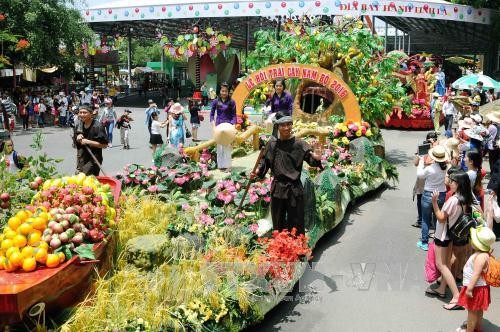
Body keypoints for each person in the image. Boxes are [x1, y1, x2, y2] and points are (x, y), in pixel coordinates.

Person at [251, 112, 323, 235]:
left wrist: (317, 157)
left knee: (296, 222)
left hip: (294, 189)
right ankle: (280, 248)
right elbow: (264, 163)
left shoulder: (300, 144)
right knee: (277, 222)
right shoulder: (272, 145)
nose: (286, 128)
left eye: (288, 124)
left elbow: (312, 162)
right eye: (282, 125)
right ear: (277, 127)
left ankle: (298, 250)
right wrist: (257, 172)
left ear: (291, 125)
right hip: (278, 188)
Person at [427, 171, 472, 310]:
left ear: (458, 184)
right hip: (451, 235)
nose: (449, 183)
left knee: (442, 265)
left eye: (452, 181)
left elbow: (441, 217)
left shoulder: (452, 200)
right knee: (446, 263)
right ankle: (441, 288)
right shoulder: (464, 199)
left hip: (442, 235)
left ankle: (456, 296)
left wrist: (434, 202)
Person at [456, 226, 495, 332]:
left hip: (475, 288)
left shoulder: (480, 257)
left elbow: (476, 274)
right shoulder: (484, 254)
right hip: (480, 287)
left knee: (472, 312)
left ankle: (470, 330)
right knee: (479, 309)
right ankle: (477, 327)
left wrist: (469, 289)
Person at [416, 145, 449, 251]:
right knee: (437, 218)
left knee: (425, 219)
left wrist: (421, 162)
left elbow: (420, 175)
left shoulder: (430, 169)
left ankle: (424, 242)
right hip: (441, 194)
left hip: (428, 194)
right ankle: (437, 240)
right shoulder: (445, 168)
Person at [73, 105, 108, 176]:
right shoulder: (79, 125)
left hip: (93, 160)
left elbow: (104, 145)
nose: (82, 115)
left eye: (85, 112)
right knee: (80, 180)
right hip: (81, 158)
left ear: (91, 114)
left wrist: (88, 142)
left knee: (89, 181)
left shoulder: (98, 126)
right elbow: (75, 141)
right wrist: (77, 137)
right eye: (80, 112)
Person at [210, 83, 236, 171]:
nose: (224, 93)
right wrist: (213, 126)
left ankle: (228, 166)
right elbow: (211, 115)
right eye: (222, 91)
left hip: (228, 126)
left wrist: (233, 126)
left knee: (227, 146)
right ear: (220, 92)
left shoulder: (232, 102)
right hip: (219, 126)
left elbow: (234, 115)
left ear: (228, 92)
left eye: (226, 91)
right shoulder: (215, 101)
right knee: (219, 146)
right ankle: (221, 166)